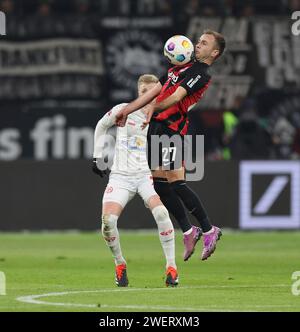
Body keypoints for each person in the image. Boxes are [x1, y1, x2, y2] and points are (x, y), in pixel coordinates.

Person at [116, 30, 225, 261]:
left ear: (214, 52)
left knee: (177, 183)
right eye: (198, 41)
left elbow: (175, 98)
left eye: (204, 43)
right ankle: (189, 231)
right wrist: (129, 109)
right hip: (157, 128)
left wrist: (150, 109)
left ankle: (207, 229)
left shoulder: (200, 74)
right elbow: (156, 91)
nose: (198, 45)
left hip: (172, 131)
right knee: (159, 184)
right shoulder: (179, 67)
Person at [93, 74, 178, 287]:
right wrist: (97, 155)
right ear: (138, 93)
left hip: (143, 175)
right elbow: (101, 126)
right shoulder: (124, 109)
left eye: (152, 93)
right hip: (120, 177)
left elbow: (184, 106)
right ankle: (120, 263)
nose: (148, 97)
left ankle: (172, 268)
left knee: (161, 212)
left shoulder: (160, 114)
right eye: (143, 93)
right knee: (108, 223)